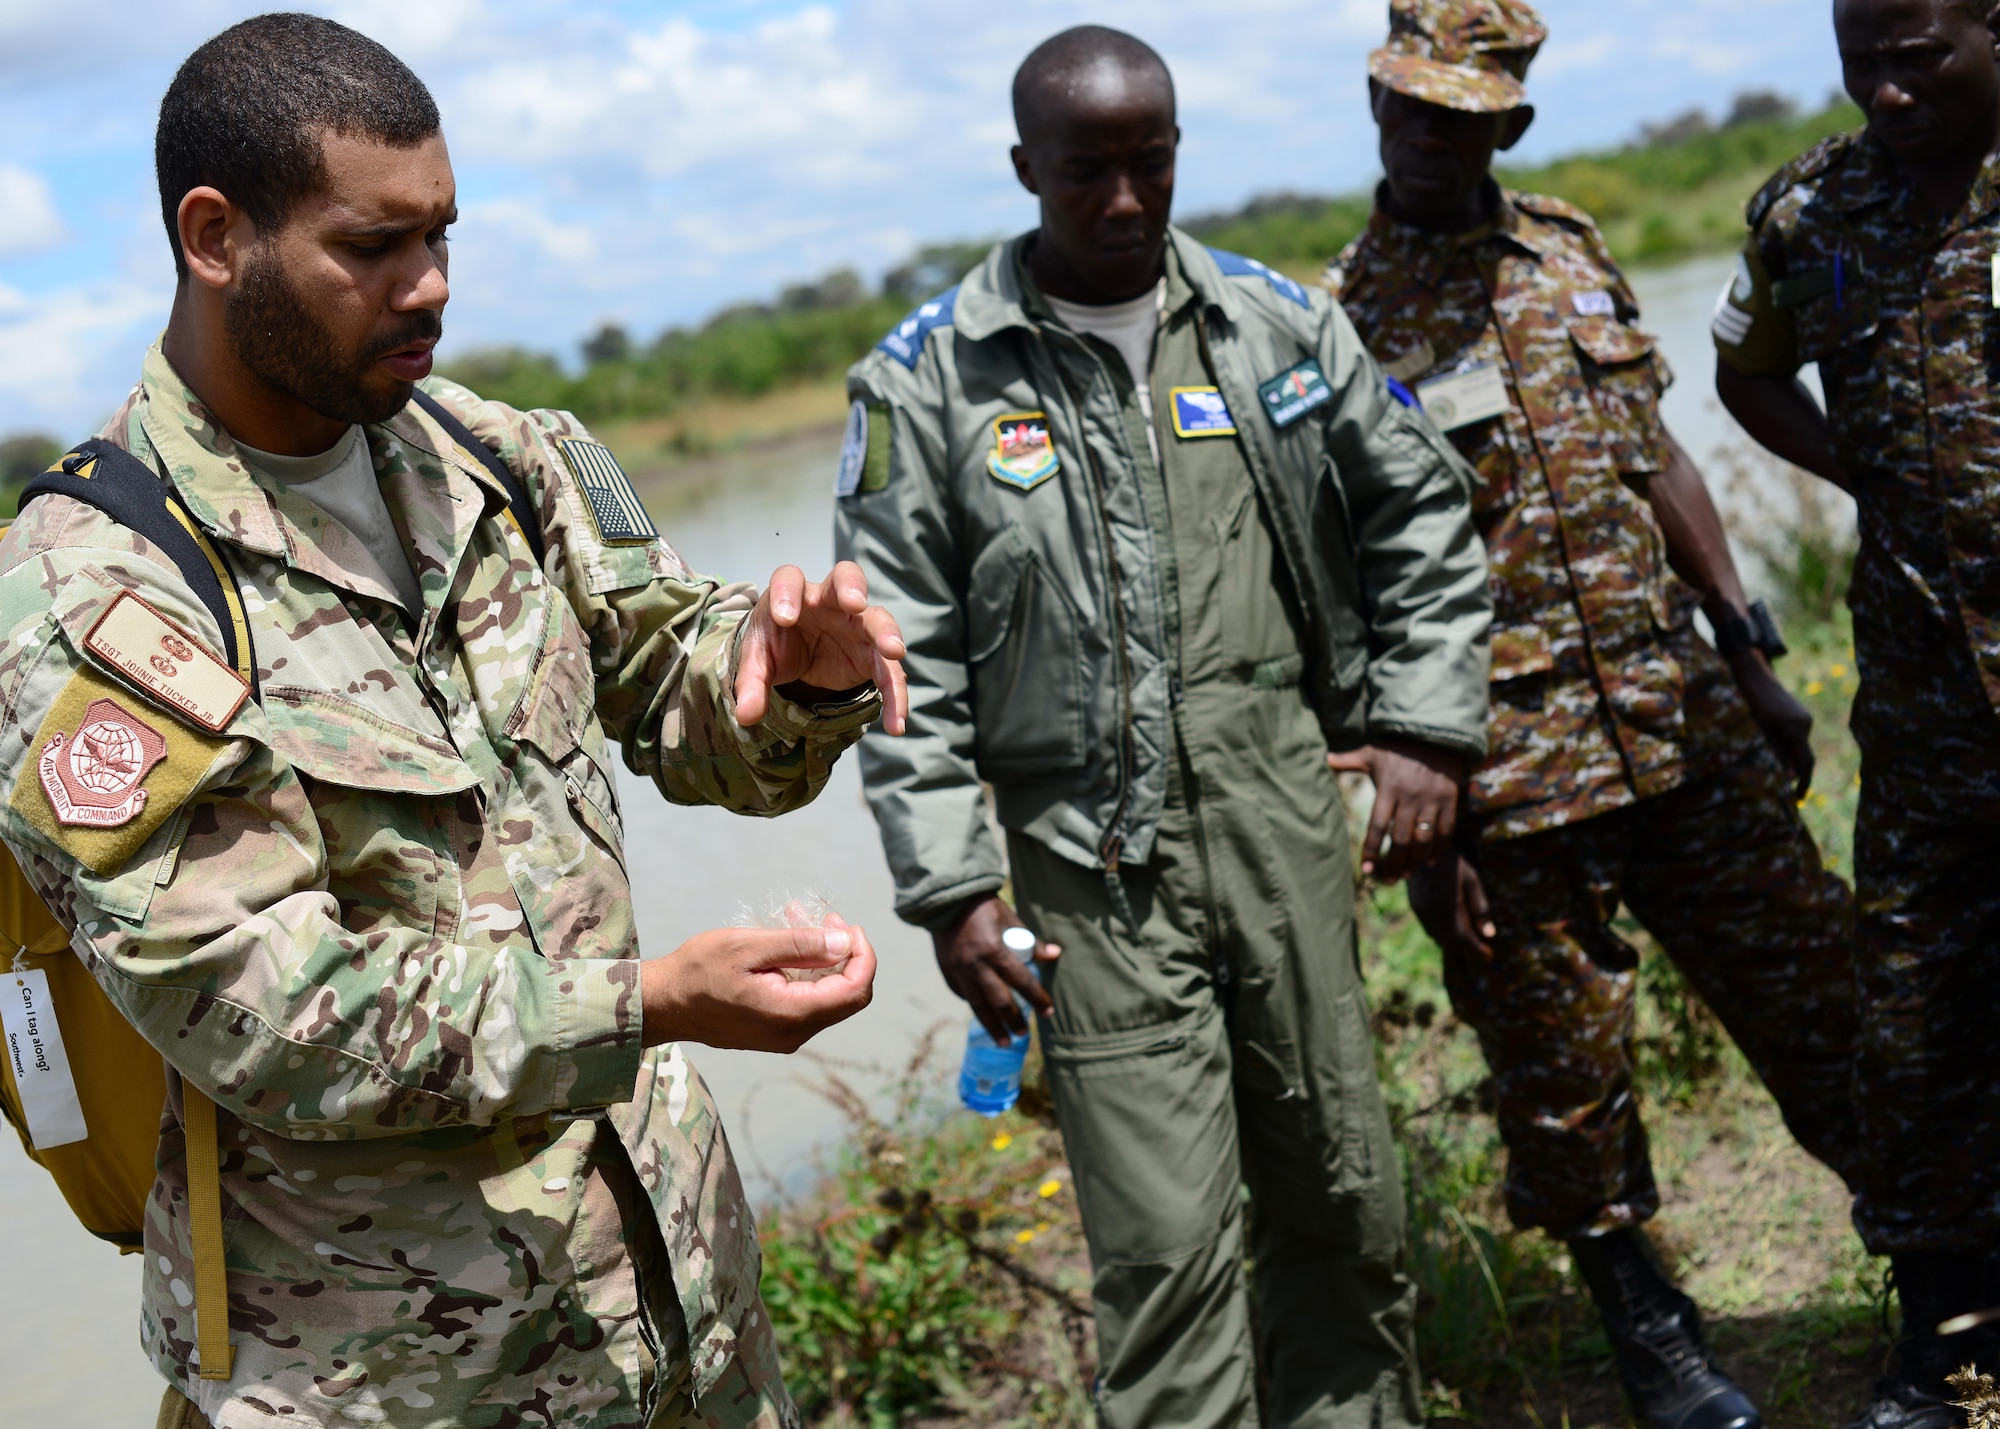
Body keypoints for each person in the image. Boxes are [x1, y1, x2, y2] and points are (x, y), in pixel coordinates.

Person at [0, 15, 911, 1429]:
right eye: (371, 248)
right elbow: (258, 1005)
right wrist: (653, 1001)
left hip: (667, 1310)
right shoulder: (92, 593)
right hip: (391, 1378)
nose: (429, 288)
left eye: (443, 236)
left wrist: (788, 677)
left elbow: (674, 682)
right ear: (214, 234)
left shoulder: (490, 456)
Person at [833, 24, 1492, 1429]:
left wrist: (1429, 728)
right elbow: (901, 656)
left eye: (1151, 164)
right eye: (1087, 173)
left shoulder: (1280, 329)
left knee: (1343, 1198)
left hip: (1282, 821)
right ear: (1026, 169)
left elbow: (1422, 510)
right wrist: (954, 886)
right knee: (1166, 1252)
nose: (1124, 201)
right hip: (1088, 868)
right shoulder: (930, 381)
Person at [1327, 4, 1865, 1427]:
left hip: (1673, 709)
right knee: (1562, 1074)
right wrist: (1413, 822)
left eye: (1469, 112)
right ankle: (1647, 1320)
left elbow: (1659, 453)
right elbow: (1332, 586)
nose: (1439, 136)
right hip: (1500, 771)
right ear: (1376, 105)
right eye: (1415, 108)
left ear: (1510, 120)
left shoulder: (1566, 246)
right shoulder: (1326, 324)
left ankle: (1939, 1253)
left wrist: (1748, 643)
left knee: (1823, 988)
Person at [1715, 0, 2000, 1423]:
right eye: (1860, 61)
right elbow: (1744, 374)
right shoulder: (1806, 207)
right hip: (1926, 706)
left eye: (1922, 56)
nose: (1889, 92)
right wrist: (1866, 478)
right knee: (1920, 1014)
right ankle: (1954, 1337)